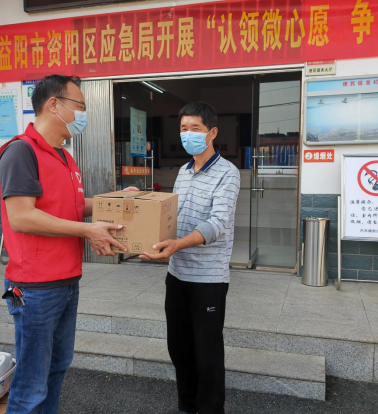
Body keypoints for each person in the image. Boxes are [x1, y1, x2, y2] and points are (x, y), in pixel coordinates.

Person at [0, 74, 133, 414]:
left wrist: (113, 200)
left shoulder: (64, 157)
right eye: (80, 106)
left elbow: (72, 206)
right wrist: (87, 231)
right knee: (31, 383)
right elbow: (22, 217)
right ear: (54, 104)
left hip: (66, 280)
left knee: (56, 368)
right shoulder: (21, 152)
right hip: (34, 287)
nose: (83, 115)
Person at [140, 102, 240, 414]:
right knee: (179, 348)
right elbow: (173, 217)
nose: (188, 134)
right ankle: (187, 406)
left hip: (208, 279)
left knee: (207, 354)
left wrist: (177, 244)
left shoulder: (228, 173)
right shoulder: (183, 172)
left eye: (195, 128)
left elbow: (217, 224)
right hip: (177, 275)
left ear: (212, 133)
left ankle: (210, 409)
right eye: (184, 129)